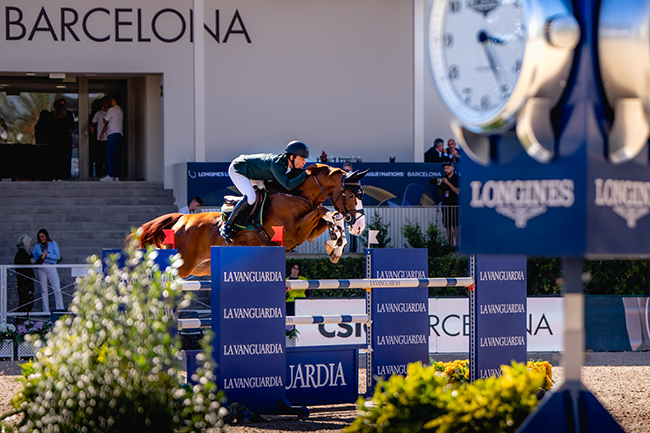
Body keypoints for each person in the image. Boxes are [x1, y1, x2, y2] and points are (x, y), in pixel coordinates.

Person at [219, 140, 312, 243]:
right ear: (291, 157)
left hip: (255, 174)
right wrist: (305, 174)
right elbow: (288, 186)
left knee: (265, 194)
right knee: (251, 197)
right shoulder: (277, 165)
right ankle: (228, 225)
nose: (304, 162)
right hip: (239, 169)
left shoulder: (287, 166)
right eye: (302, 158)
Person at [32, 229, 64, 312]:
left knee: (56, 288)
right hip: (41, 268)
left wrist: (46, 255)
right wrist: (40, 257)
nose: (41, 238)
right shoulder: (37, 246)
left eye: (43, 236)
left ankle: (60, 309)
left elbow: (57, 256)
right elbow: (34, 257)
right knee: (43, 289)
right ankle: (45, 310)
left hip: (51, 267)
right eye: (39, 237)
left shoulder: (53, 243)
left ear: (46, 236)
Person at [99, 96, 124, 182]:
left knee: (109, 155)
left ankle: (109, 175)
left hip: (112, 134)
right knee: (116, 156)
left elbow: (105, 121)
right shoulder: (120, 110)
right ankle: (116, 176)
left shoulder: (111, 110)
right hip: (119, 134)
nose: (109, 102)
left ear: (113, 100)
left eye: (110, 101)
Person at [435, 161, 460, 247]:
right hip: (445, 206)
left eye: (448, 168)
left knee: (455, 227)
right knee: (448, 227)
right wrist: (439, 185)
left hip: (455, 206)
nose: (446, 170)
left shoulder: (456, 178)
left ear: (452, 168)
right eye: (445, 168)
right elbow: (440, 194)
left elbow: (457, 191)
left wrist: (447, 183)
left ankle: (457, 247)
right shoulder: (443, 178)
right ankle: (450, 247)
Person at [51, 99, 74, 180]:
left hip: (55, 141)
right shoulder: (67, 115)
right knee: (65, 159)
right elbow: (72, 127)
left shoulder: (52, 116)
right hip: (65, 140)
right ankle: (65, 176)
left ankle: (55, 176)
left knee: (55, 158)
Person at [14, 234, 36, 313]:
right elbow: (33, 263)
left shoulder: (28, 253)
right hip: (24, 281)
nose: (31, 244)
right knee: (24, 300)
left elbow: (34, 263)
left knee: (29, 299)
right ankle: (21, 320)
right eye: (29, 242)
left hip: (28, 280)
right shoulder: (21, 254)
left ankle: (25, 319)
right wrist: (42, 258)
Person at [90, 97, 109, 178]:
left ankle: (107, 173)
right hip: (100, 139)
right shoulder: (98, 113)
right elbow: (93, 123)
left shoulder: (111, 112)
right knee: (99, 157)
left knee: (108, 157)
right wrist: (91, 127)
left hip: (109, 138)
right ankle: (99, 174)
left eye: (106, 102)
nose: (104, 104)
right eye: (103, 102)